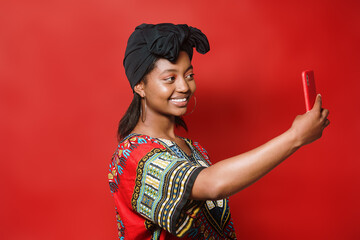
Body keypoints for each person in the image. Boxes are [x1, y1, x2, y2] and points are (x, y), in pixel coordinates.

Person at [108, 23, 330, 240]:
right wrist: (295, 137)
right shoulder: (131, 155)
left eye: (189, 75)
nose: (185, 87)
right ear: (140, 86)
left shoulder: (195, 150)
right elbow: (213, 184)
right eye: (170, 78)